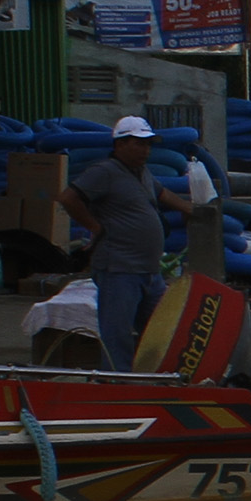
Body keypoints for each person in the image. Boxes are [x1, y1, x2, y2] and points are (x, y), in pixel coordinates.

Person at [61, 114, 170, 365]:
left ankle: (151, 382)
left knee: (160, 330)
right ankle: (115, 385)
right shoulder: (105, 172)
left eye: (148, 144)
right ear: (120, 144)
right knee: (117, 335)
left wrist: (189, 208)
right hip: (120, 268)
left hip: (149, 271)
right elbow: (68, 198)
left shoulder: (141, 172)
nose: (146, 150)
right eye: (139, 143)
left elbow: (161, 192)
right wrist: (95, 227)